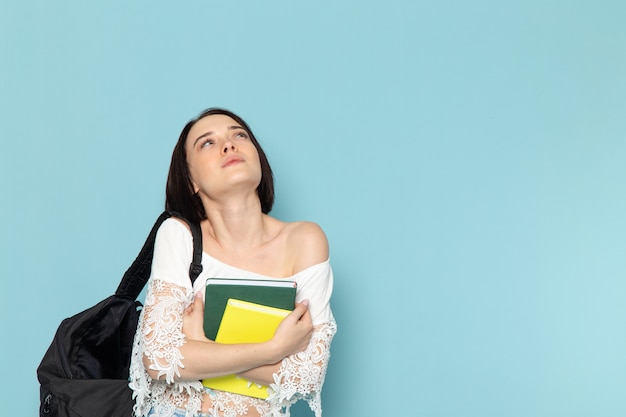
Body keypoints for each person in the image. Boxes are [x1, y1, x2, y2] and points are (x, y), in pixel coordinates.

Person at [129, 108, 337, 417]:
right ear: (190, 181)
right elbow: (160, 359)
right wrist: (273, 350)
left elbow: (307, 375)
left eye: (239, 135)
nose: (229, 145)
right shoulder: (179, 235)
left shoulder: (305, 240)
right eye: (207, 143)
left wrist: (200, 344)